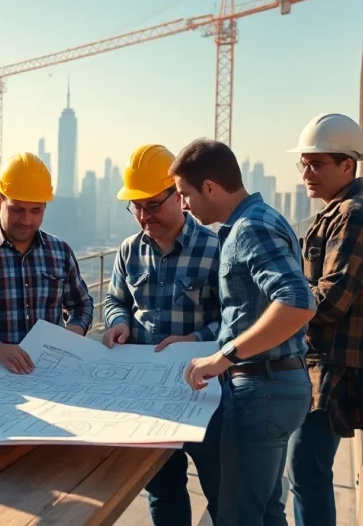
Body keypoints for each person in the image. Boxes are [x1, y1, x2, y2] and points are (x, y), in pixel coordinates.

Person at [172, 139, 316, 526]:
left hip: (261, 390)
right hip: (277, 384)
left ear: (210, 187)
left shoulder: (249, 229)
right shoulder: (263, 217)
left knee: (238, 516)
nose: (183, 205)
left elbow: (298, 301)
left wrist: (224, 356)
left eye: (185, 194)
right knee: (266, 510)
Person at [102, 143, 223, 525]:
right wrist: (118, 321)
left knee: (223, 492)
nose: (144, 215)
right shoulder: (128, 251)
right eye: (136, 207)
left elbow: (236, 319)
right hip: (149, 397)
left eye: (153, 205)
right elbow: (115, 299)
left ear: (178, 196)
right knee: (163, 493)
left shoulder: (215, 249)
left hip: (205, 395)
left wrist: (196, 339)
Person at [285, 114, 363, 526]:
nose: (306, 174)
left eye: (317, 164)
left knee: (307, 469)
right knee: (306, 471)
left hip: (334, 366)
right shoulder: (338, 211)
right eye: (304, 164)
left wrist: (278, 302)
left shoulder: (354, 215)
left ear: (348, 165)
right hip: (322, 361)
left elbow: (330, 300)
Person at [0, 152, 94, 377]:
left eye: (35, 211)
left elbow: (81, 304)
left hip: (51, 375)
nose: (26, 220)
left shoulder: (60, 253)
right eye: (17, 209)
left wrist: (75, 331)